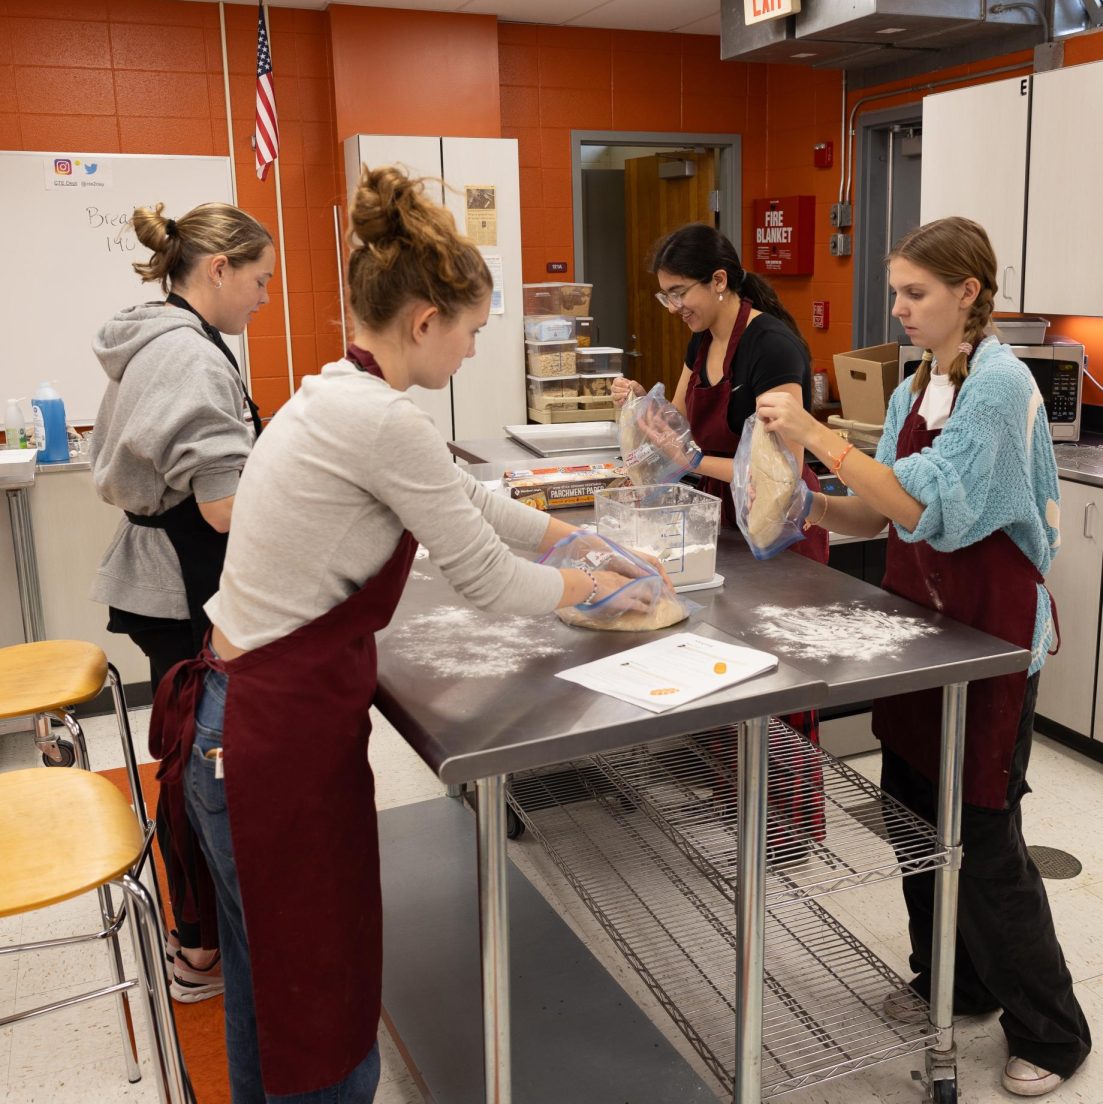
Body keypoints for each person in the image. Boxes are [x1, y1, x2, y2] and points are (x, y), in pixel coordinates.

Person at [151, 166, 651, 1103]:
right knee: (324, 1018)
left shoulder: (338, 393)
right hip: (269, 748)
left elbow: (462, 499)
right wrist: (592, 590)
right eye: (469, 331)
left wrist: (574, 533)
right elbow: (485, 578)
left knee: (272, 996)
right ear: (425, 320)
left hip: (243, 724)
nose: (469, 350)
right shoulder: (378, 419)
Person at [756, 215, 1091, 1097]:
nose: (897, 308)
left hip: (985, 644)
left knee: (980, 836)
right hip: (918, 637)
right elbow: (877, 512)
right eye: (895, 291)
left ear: (967, 293)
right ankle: (956, 985)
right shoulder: (914, 389)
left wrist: (819, 435)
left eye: (914, 293)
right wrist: (807, 503)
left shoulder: (998, 388)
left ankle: (1052, 1033)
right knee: (913, 820)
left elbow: (929, 502)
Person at [89, 201, 274, 1002]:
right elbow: (225, 507)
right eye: (260, 281)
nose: (265, 298)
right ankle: (199, 947)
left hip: (161, 573)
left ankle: (198, 933)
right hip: (184, 580)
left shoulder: (159, 333)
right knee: (199, 764)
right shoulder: (194, 360)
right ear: (219, 269)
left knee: (187, 754)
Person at [612, 223, 825, 754]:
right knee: (720, 663)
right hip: (721, 519)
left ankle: (785, 818)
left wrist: (696, 459)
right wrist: (644, 410)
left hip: (774, 530)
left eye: (679, 292)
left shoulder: (772, 347)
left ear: (720, 281)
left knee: (774, 680)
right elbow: (679, 428)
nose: (672, 306)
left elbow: (782, 474)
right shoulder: (702, 340)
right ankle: (729, 794)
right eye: (666, 295)